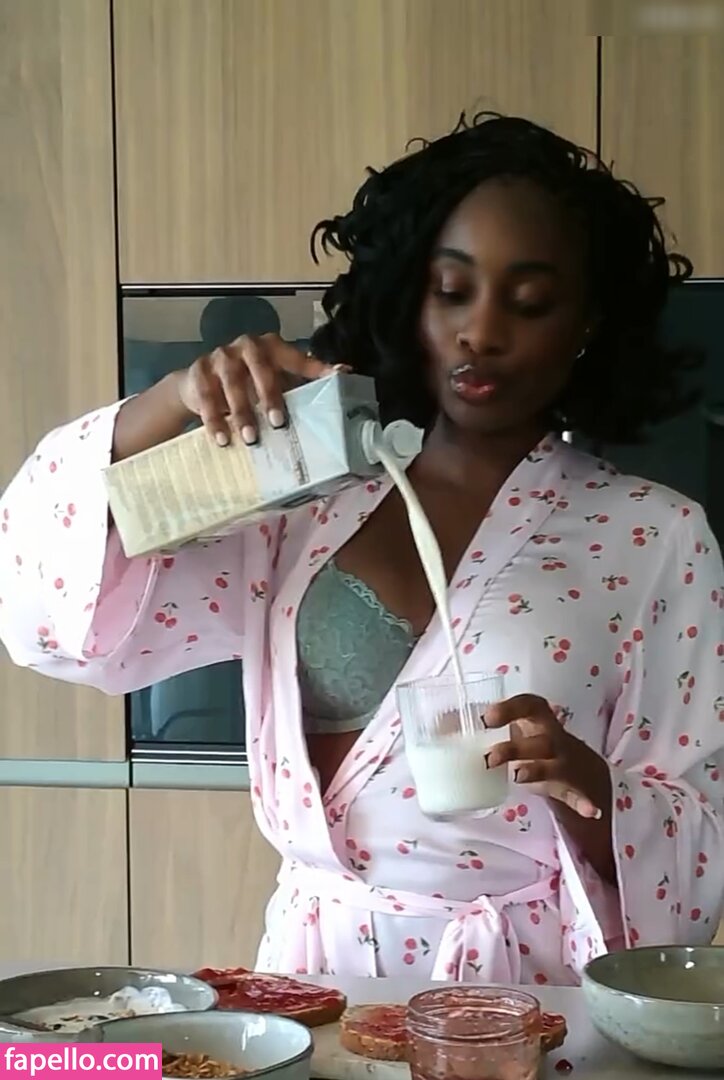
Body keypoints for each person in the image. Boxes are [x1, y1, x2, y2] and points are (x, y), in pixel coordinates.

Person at [1, 112, 723, 984]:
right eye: (451, 290)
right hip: (317, 976)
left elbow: (700, 840)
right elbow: (40, 608)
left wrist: (588, 784)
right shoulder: (307, 499)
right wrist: (170, 401)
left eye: (530, 302)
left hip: (517, 988)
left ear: (588, 321)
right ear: (410, 298)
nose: (482, 332)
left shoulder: (651, 536)